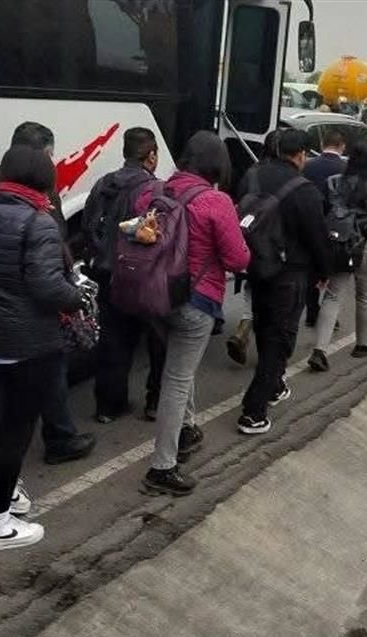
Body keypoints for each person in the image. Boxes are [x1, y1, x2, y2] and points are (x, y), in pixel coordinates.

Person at [0, 145, 85, 552]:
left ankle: (8, 493)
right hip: (28, 341)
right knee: (16, 430)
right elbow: (48, 288)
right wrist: (77, 296)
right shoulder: (39, 222)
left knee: (0, 417)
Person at [0, 128, 95, 481]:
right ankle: (57, 441)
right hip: (28, 314)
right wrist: (75, 298)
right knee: (48, 372)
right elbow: (47, 266)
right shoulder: (38, 208)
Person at [136, 132, 250, 496]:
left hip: (153, 295)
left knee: (177, 367)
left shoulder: (153, 193)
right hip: (195, 301)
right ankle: (163, 466)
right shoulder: (216, 202)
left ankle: (186, 428)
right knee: (178, 378)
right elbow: (238, 259)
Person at [237, 129, 332, 435]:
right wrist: (323, 273)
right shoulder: (304, 190)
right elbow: (318, 239)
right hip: (289, 274)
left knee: (265, 328)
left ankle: (275, 385)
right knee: (279, 340)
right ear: (300, 154)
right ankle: (253, 412)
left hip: (254, 266)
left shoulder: (251, 175)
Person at [82, 127, 166, 424]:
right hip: (141, 276)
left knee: (113, 339)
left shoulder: (103, 184)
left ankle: (108, 405)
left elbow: (87, 226)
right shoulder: (155, 190)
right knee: (158, 338)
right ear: (151, 156)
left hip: (106, 272)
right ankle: (154, 403)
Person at [307, 142, 367, 372]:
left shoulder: (335, 183)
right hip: (366, 246)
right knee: (365, 296)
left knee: (332, 296)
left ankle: (320, 350)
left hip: (338, 244)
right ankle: (362, 344)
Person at [226, 129, 282, 365]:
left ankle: (244, 328)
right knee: (275, 294)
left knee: (253, 283)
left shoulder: (252, 172)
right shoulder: (285, 175)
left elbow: (238, 200)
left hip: (248, 235)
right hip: (274, 240)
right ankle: (262, 344)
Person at [302, 129, 347, 328]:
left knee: (311, 269)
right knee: (333, 272)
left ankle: (312, 311)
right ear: (341, 146)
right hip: (337, 226)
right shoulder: (345, 168)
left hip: (311, 222)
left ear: (322, 145)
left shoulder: (308, 166)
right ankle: (329, 314)